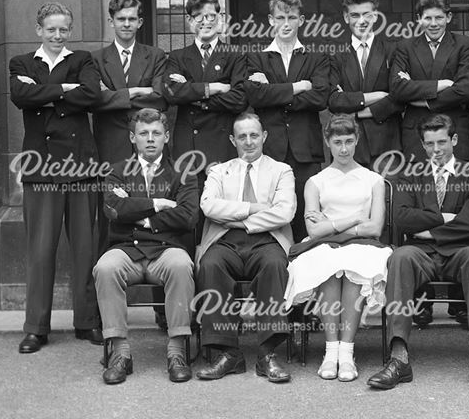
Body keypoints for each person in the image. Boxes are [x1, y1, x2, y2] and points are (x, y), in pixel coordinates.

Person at [366, 114, 469, 391]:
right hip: (420, 251)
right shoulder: (410, 174)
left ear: (454, 140)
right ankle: (398, 356)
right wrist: (447, 218)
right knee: (400, 257)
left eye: (441, 142)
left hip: (462, 250)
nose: (436, 150)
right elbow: (403, 218)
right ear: (423, 145)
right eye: (429, 144)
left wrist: (427, 225)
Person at [9, 2, 102, 354]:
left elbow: (91, 94)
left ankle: (87, 321)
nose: (57, 35)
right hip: (42, 166)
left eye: (63, 29)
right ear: (39, 30)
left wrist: (47, 92)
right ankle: (36, 327)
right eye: (51, 29)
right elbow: (21, 96)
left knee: (84, 249)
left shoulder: (83, 60)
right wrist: (67, 89)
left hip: (80, 166)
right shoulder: (20, 63)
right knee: (40, 250)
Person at [92, 109, 198, 385]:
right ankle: (120, 353)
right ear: (132, 137)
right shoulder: (116, 171)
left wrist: (140, 215)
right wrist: (158, 204)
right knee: (105, 267)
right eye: (143, 133)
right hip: (127, 248)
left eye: (156, 133)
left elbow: (187, 216)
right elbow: (113, 210)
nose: (150, 139)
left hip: (165, 249)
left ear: (166, 137)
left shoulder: (182, 173)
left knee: (180, 264)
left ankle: (177, 352)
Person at [284, 114, 391, 382]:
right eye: (337, 141)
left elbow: (375, 228)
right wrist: (355, 219)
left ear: (357, 141)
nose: (343, 149)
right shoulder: (315, 182)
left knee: (354, 262)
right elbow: (313, 231)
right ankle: (331, 352)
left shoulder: (373, 180)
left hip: (364, 245)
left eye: (349, 141)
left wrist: (331, 223)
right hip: (324, 245)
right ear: (328, 142)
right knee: (329, 263)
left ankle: (347, 352)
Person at [193, 112, 297, 383]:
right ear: (232, 140)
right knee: (211, 264)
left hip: (267, 240)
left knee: (275, 265)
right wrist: (253, 208)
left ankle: (267, 354)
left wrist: (240, 221)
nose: (249, 142)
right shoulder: (219, 171)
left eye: (254, 135)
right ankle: (228, 354)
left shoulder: (281, 170)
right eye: (242, 137)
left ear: (263, 136)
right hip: (225, 240)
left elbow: (284, 213)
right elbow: (209, 206)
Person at [246, 0, 330, 242]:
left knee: (307, 215)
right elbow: (255, 98)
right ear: (271, 20)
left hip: (306, 149)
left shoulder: (316, 58)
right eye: (280, 17)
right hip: (271, 148)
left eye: (291, 17)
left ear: (301, 20)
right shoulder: (256, 58)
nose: (286, 23)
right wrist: (298, 86)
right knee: (271, 212)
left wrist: (273, 91)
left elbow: (320, 98)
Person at [91, 0, 168, 253]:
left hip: (147, 148)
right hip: (109, 146)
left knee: (147, 205)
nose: (126, 24)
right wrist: (136, 92)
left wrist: (114, 96)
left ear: (140, 22)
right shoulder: (96, 59)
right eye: (120, 19)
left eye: (131, 19)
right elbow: (95, 101)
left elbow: (158, 99)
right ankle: (106, 275)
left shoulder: (155, 55)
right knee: (110, 210)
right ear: (111, 21)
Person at [163, 0, 250, 170]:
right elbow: (171, 92)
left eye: (211, 16)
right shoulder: (177, 57)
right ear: (189, 20)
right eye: (198, 16)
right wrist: (214, 87)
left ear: (219, 18)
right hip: (188, 149)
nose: (205, 21)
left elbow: (240, 99)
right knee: (189, 197)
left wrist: (193, 96)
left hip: (222, 146)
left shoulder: (235, 54)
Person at [390, 0, 469, 164]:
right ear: (418, 19)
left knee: (457, 187)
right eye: (428, 18)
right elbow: (398, 89)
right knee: (419, 188)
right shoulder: (404, 47)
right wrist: (442, 84)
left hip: (455, 131)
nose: (434, 24)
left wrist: (421, 98)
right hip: (416, 135)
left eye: (439, 18)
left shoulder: (465, 45)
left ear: (449, 17)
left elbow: (465, 90)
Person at [327, 0, 403, 169]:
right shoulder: (335, 54)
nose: (361, 21)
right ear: (346, 18)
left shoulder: (394, 50)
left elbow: (399, 98)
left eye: (367, 15)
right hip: (349, 147)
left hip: (386, 146)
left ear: (375, 16)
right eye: (355, 15)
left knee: (388, 197)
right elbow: (333, 100)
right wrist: (379, 95)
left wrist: (356, 111)